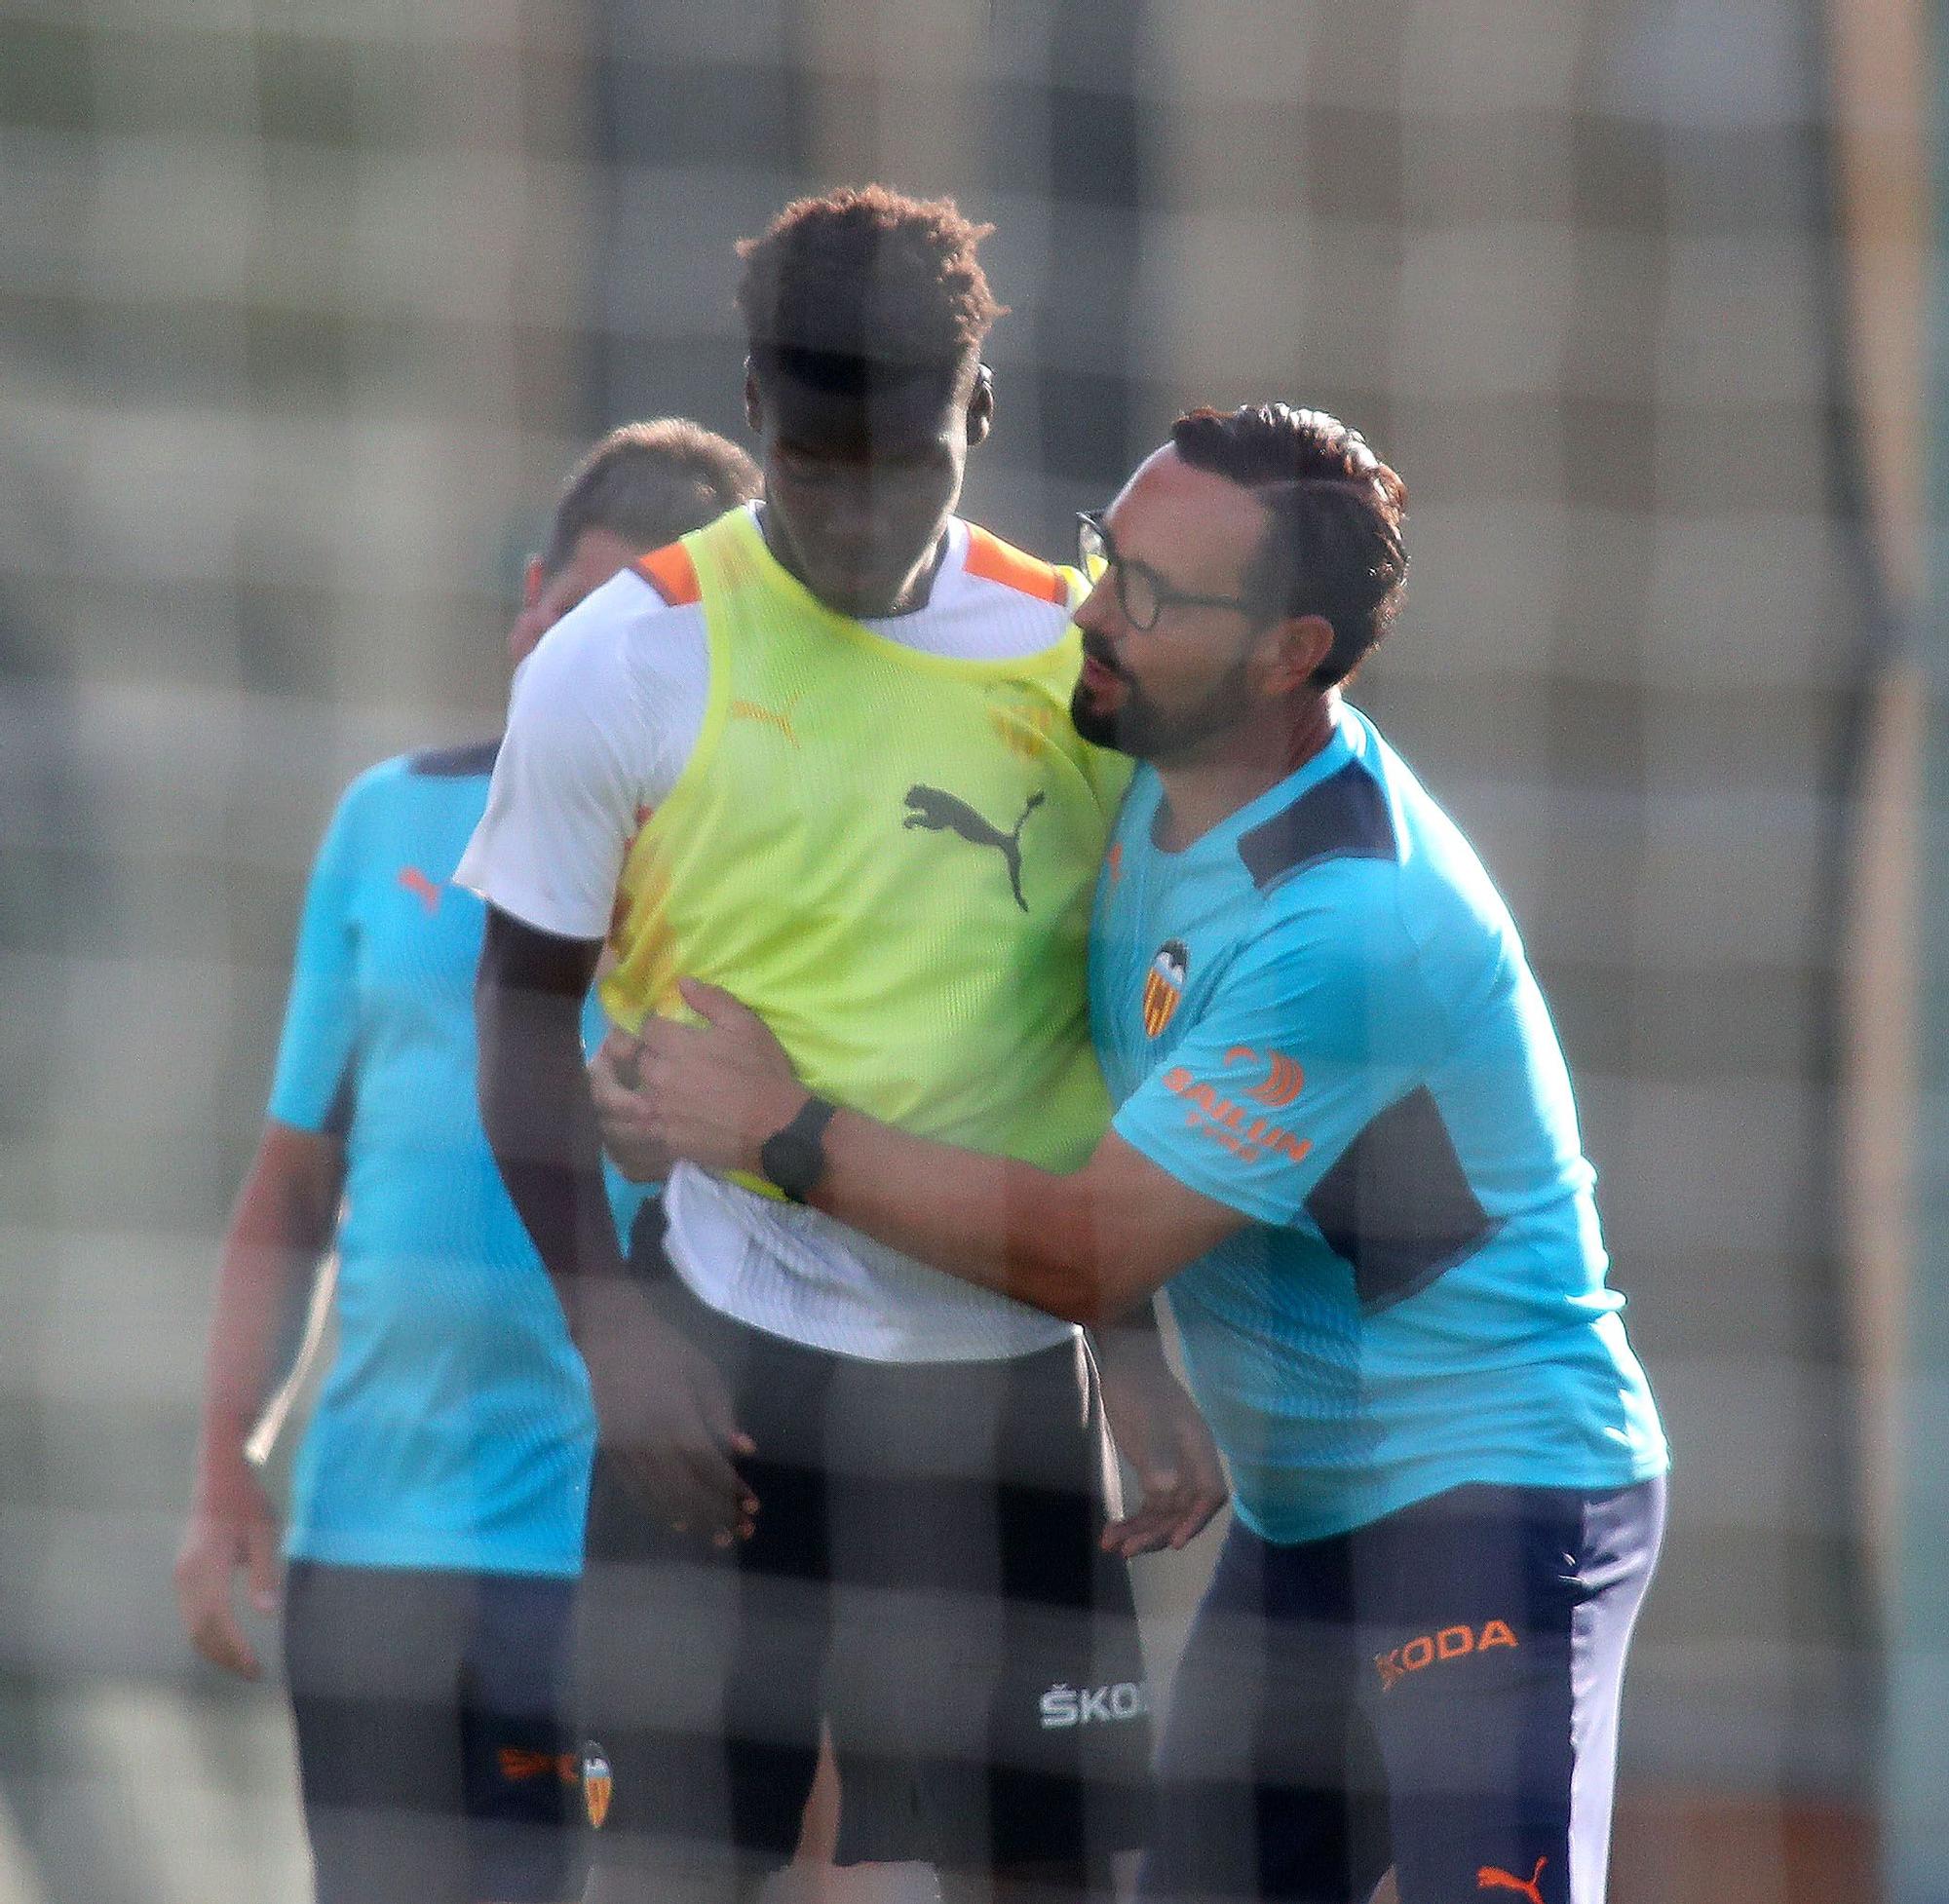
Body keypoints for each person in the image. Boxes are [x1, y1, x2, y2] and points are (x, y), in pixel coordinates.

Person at [609, 403, 1672, 1904]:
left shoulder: (1348, 923)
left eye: (1155, 595)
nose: (1095, 608)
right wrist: (1129, 1352)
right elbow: (1061, 1090)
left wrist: (778, 1127)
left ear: (1290, 653)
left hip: (1491, 1505)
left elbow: (1093, 1234)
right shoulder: (1129, 776)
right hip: (1305, 1526)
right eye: (1111, 551)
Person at [460, 186, 1224, 1904]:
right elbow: (511, 1015)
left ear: (982, 418)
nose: (859, 519)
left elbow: (1105, 1024)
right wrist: (608, 1330)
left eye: (903, 468)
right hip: (721, 1379)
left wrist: (1141, 1347)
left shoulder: (1085, 657)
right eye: (816, 471)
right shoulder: (618, 662)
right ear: (752, 418)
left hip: (1008, 1405)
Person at [174, 419, 762, 1904]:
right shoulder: (387, 819)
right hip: (372, 1539)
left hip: (610, 1553)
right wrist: (227, 1463)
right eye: (565, 619)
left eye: (631, 644)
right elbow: (295, 1182)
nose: (580, 669)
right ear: (526, 600)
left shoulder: (749, 866)